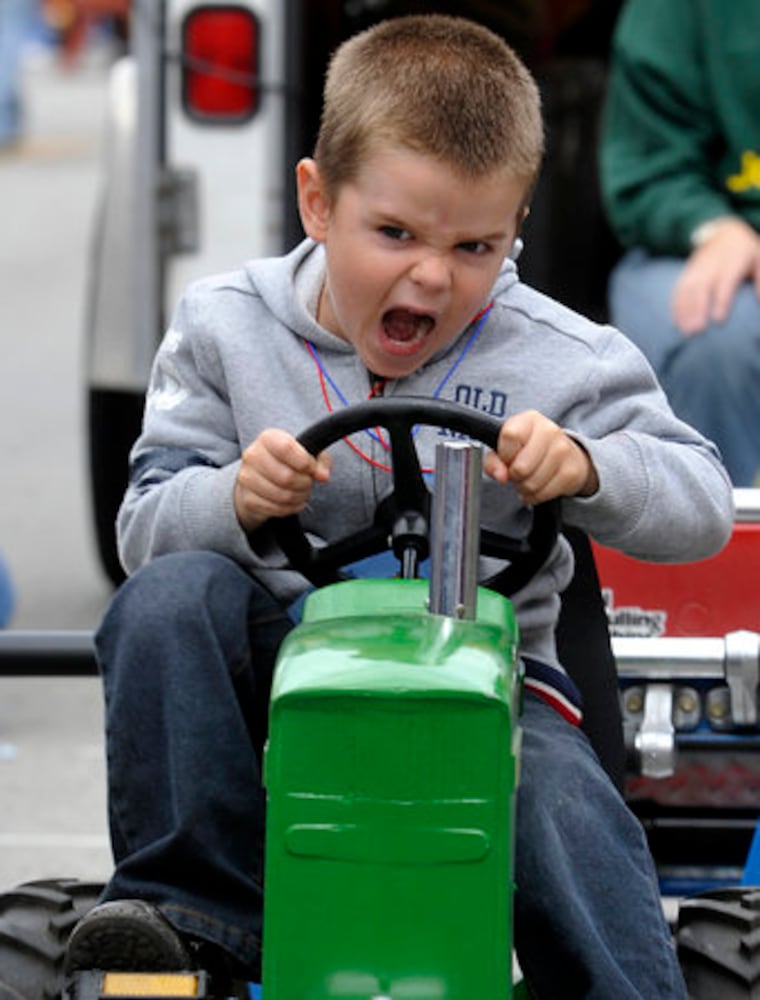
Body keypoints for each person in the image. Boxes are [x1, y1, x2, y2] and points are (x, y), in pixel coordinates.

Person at [64, 14, 733, 998]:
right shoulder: (225, 327)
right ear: (316, 202)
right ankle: (186, 921)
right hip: (271, 696)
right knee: (168, 599)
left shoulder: (567, 358)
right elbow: (143, 529)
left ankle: (622, 984)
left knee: (548, 794)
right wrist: (236, 500)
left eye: (474, 245)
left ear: (514, 230)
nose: (431, 273)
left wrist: (590, 466)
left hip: (492, 693)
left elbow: (703, 504)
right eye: (395, 234)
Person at [599, 0, 760, 488]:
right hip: (706, 238)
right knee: (714, 336)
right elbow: (649, 168)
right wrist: (715, 227)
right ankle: (715, 554)